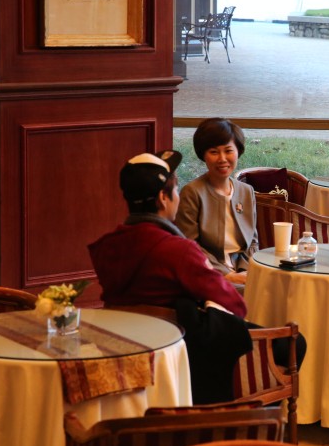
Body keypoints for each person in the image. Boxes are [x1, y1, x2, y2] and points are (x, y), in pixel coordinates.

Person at [88, 149, 305, 403]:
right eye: (176, 190)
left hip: (125, 347)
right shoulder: (177, 251)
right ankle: (256, 417)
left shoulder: (105, 247)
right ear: (163, 198)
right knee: (295, 343)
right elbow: (235, 305)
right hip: (179, 351)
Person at [175, 118, 257, 288]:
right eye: (214, 152)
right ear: (203, 155)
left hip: (245, 270)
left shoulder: (246, 191)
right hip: (208, 274)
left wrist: (247, 271)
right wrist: (228, 275)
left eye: (228, 151)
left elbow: (252, 241)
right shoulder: (192, 192)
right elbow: (190, 247)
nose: (222, 159)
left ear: (238, 151)